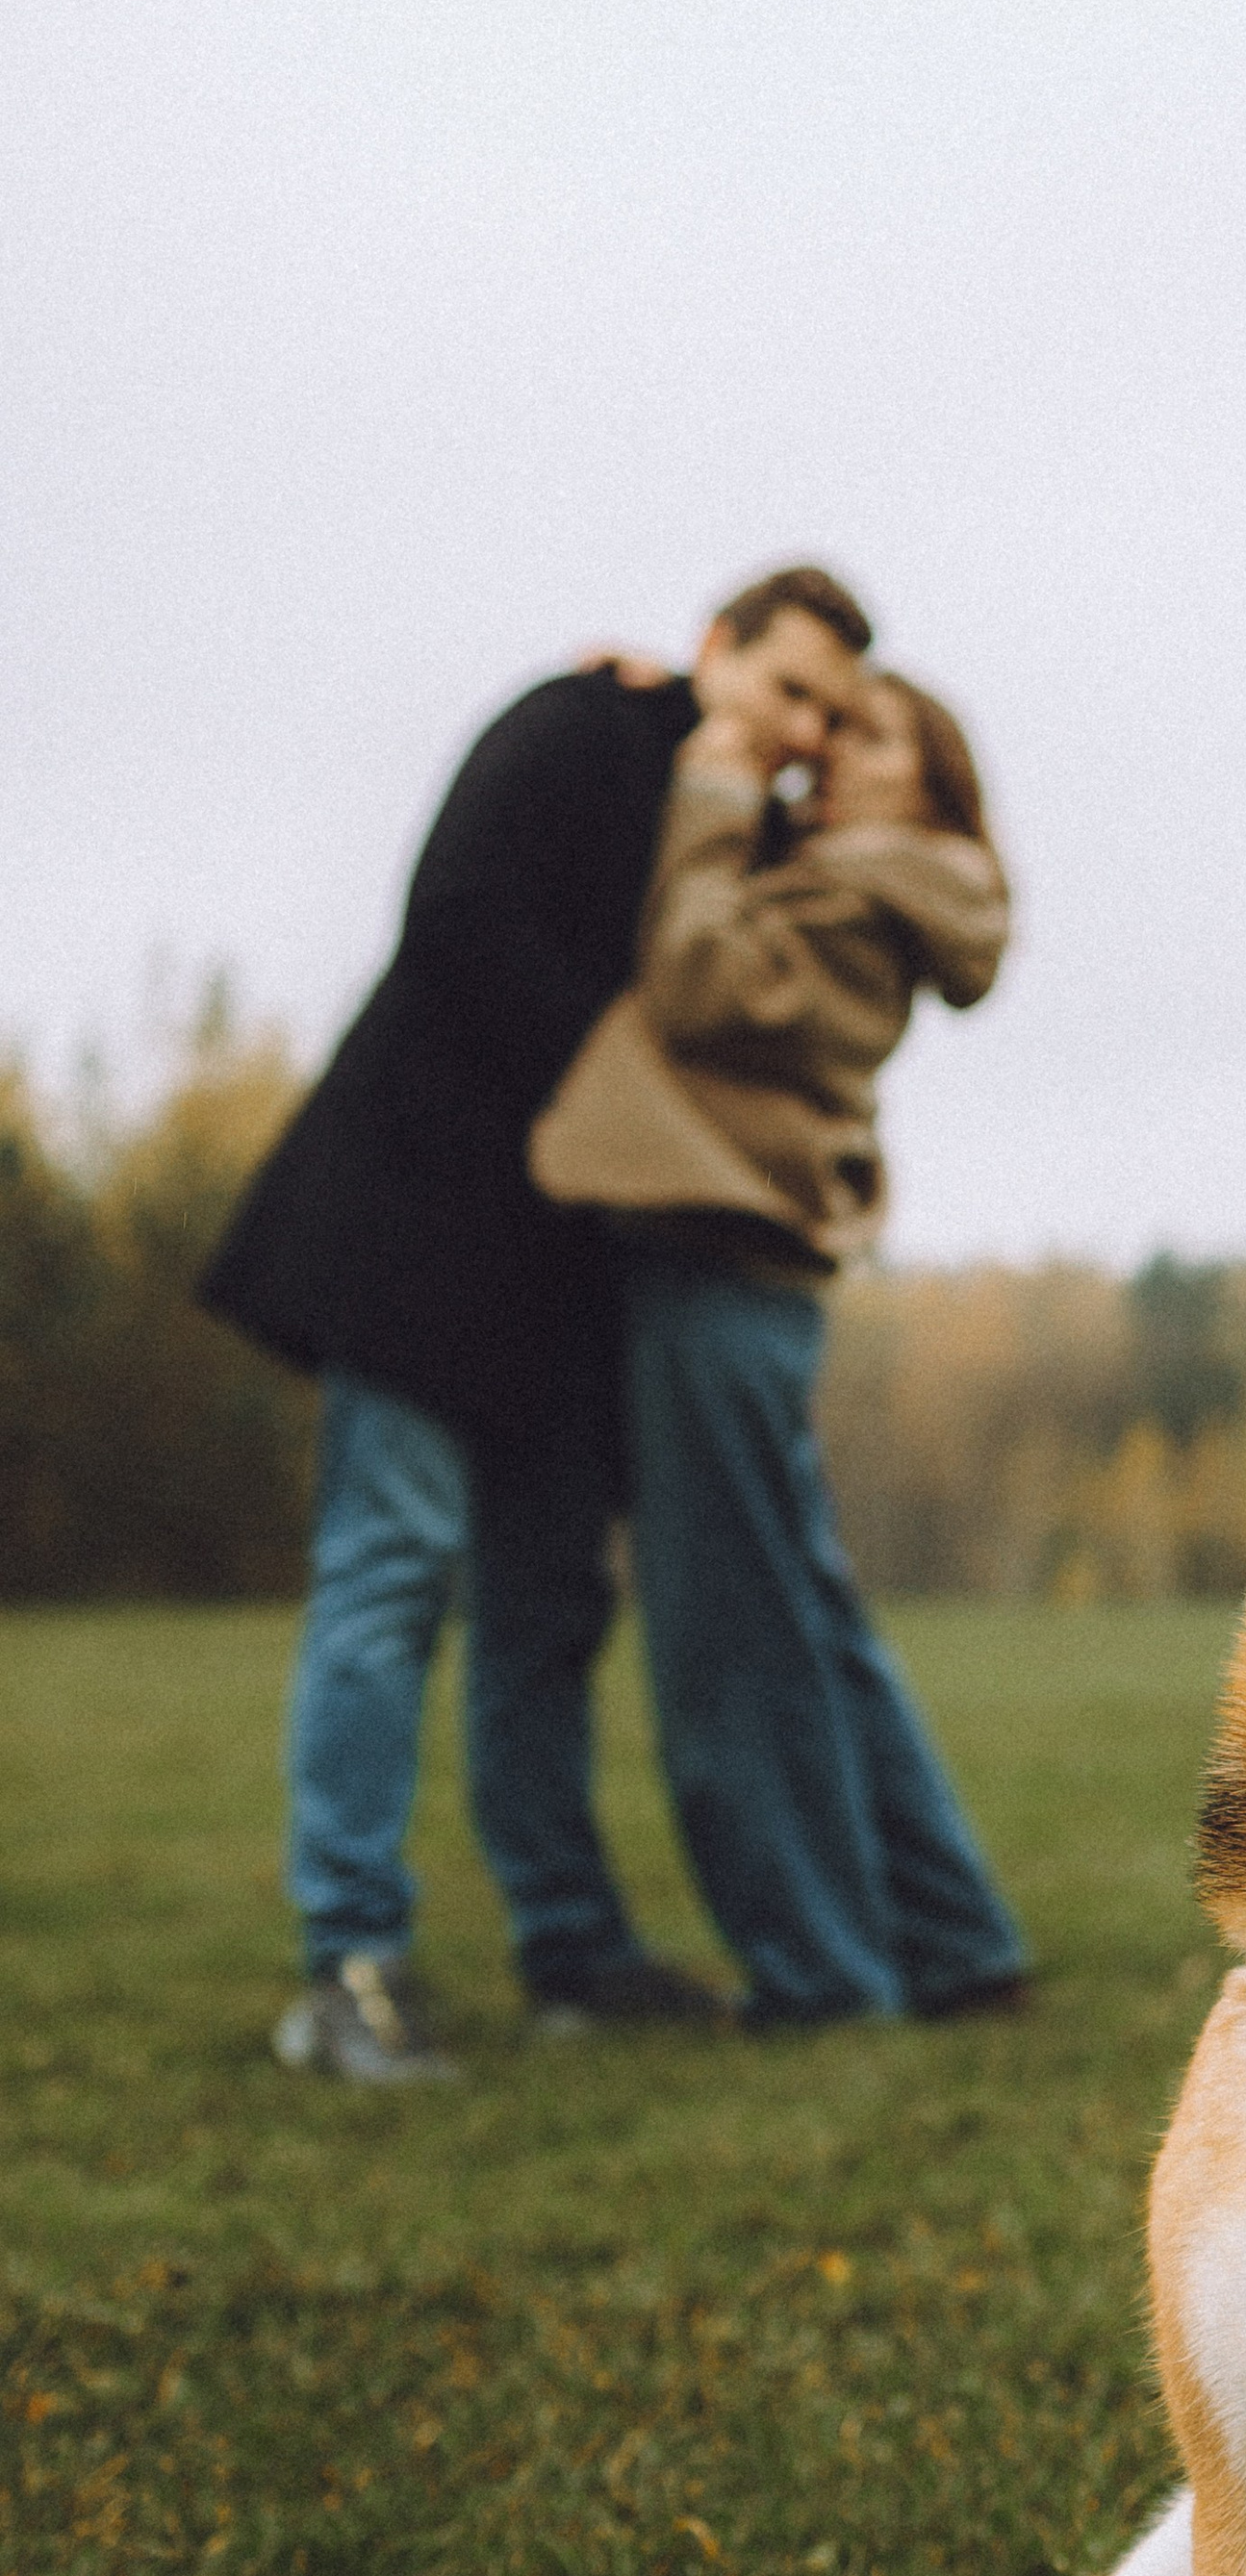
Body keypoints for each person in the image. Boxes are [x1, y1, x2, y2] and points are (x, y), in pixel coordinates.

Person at [199, 568, 871, 2076]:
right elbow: (457, 913)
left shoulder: (760, 835)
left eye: (830, 710)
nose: (805, 726)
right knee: (392, 1573)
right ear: (715, 649)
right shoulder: (577, 726)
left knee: (549, 1613)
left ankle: (571, 1948)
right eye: (788, 687)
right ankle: (349, 1964)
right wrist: (628, 1082)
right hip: (422, 1230)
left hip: (581, 1278)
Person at [526, 669, 1030, 2027]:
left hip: (716, 1271)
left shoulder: (856, 890)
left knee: (727, 1647)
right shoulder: (889, 882)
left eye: (860, 733)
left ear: (928, 781)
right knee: (812, 1628)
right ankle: (953, 1939)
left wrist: (710, 789)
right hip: (748, 1285)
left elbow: (692, 978)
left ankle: (820, 1974)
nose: (821, 750)